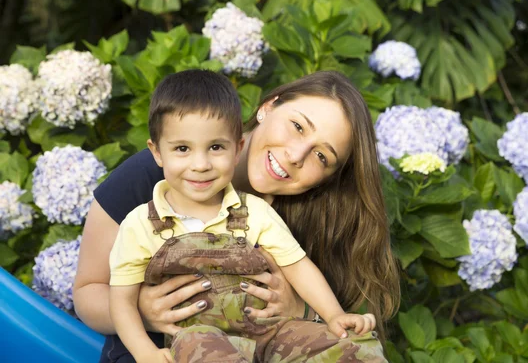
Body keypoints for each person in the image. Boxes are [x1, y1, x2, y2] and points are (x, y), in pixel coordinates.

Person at [74, 70, 400, 362]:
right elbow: (89, 292)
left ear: (330, 176)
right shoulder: (152, 186)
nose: (296, 155)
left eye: (321, 156)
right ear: (267, 107)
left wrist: (302, 310)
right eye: (297, 126)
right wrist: (142, 312)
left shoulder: (293, 217)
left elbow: (313, 293)